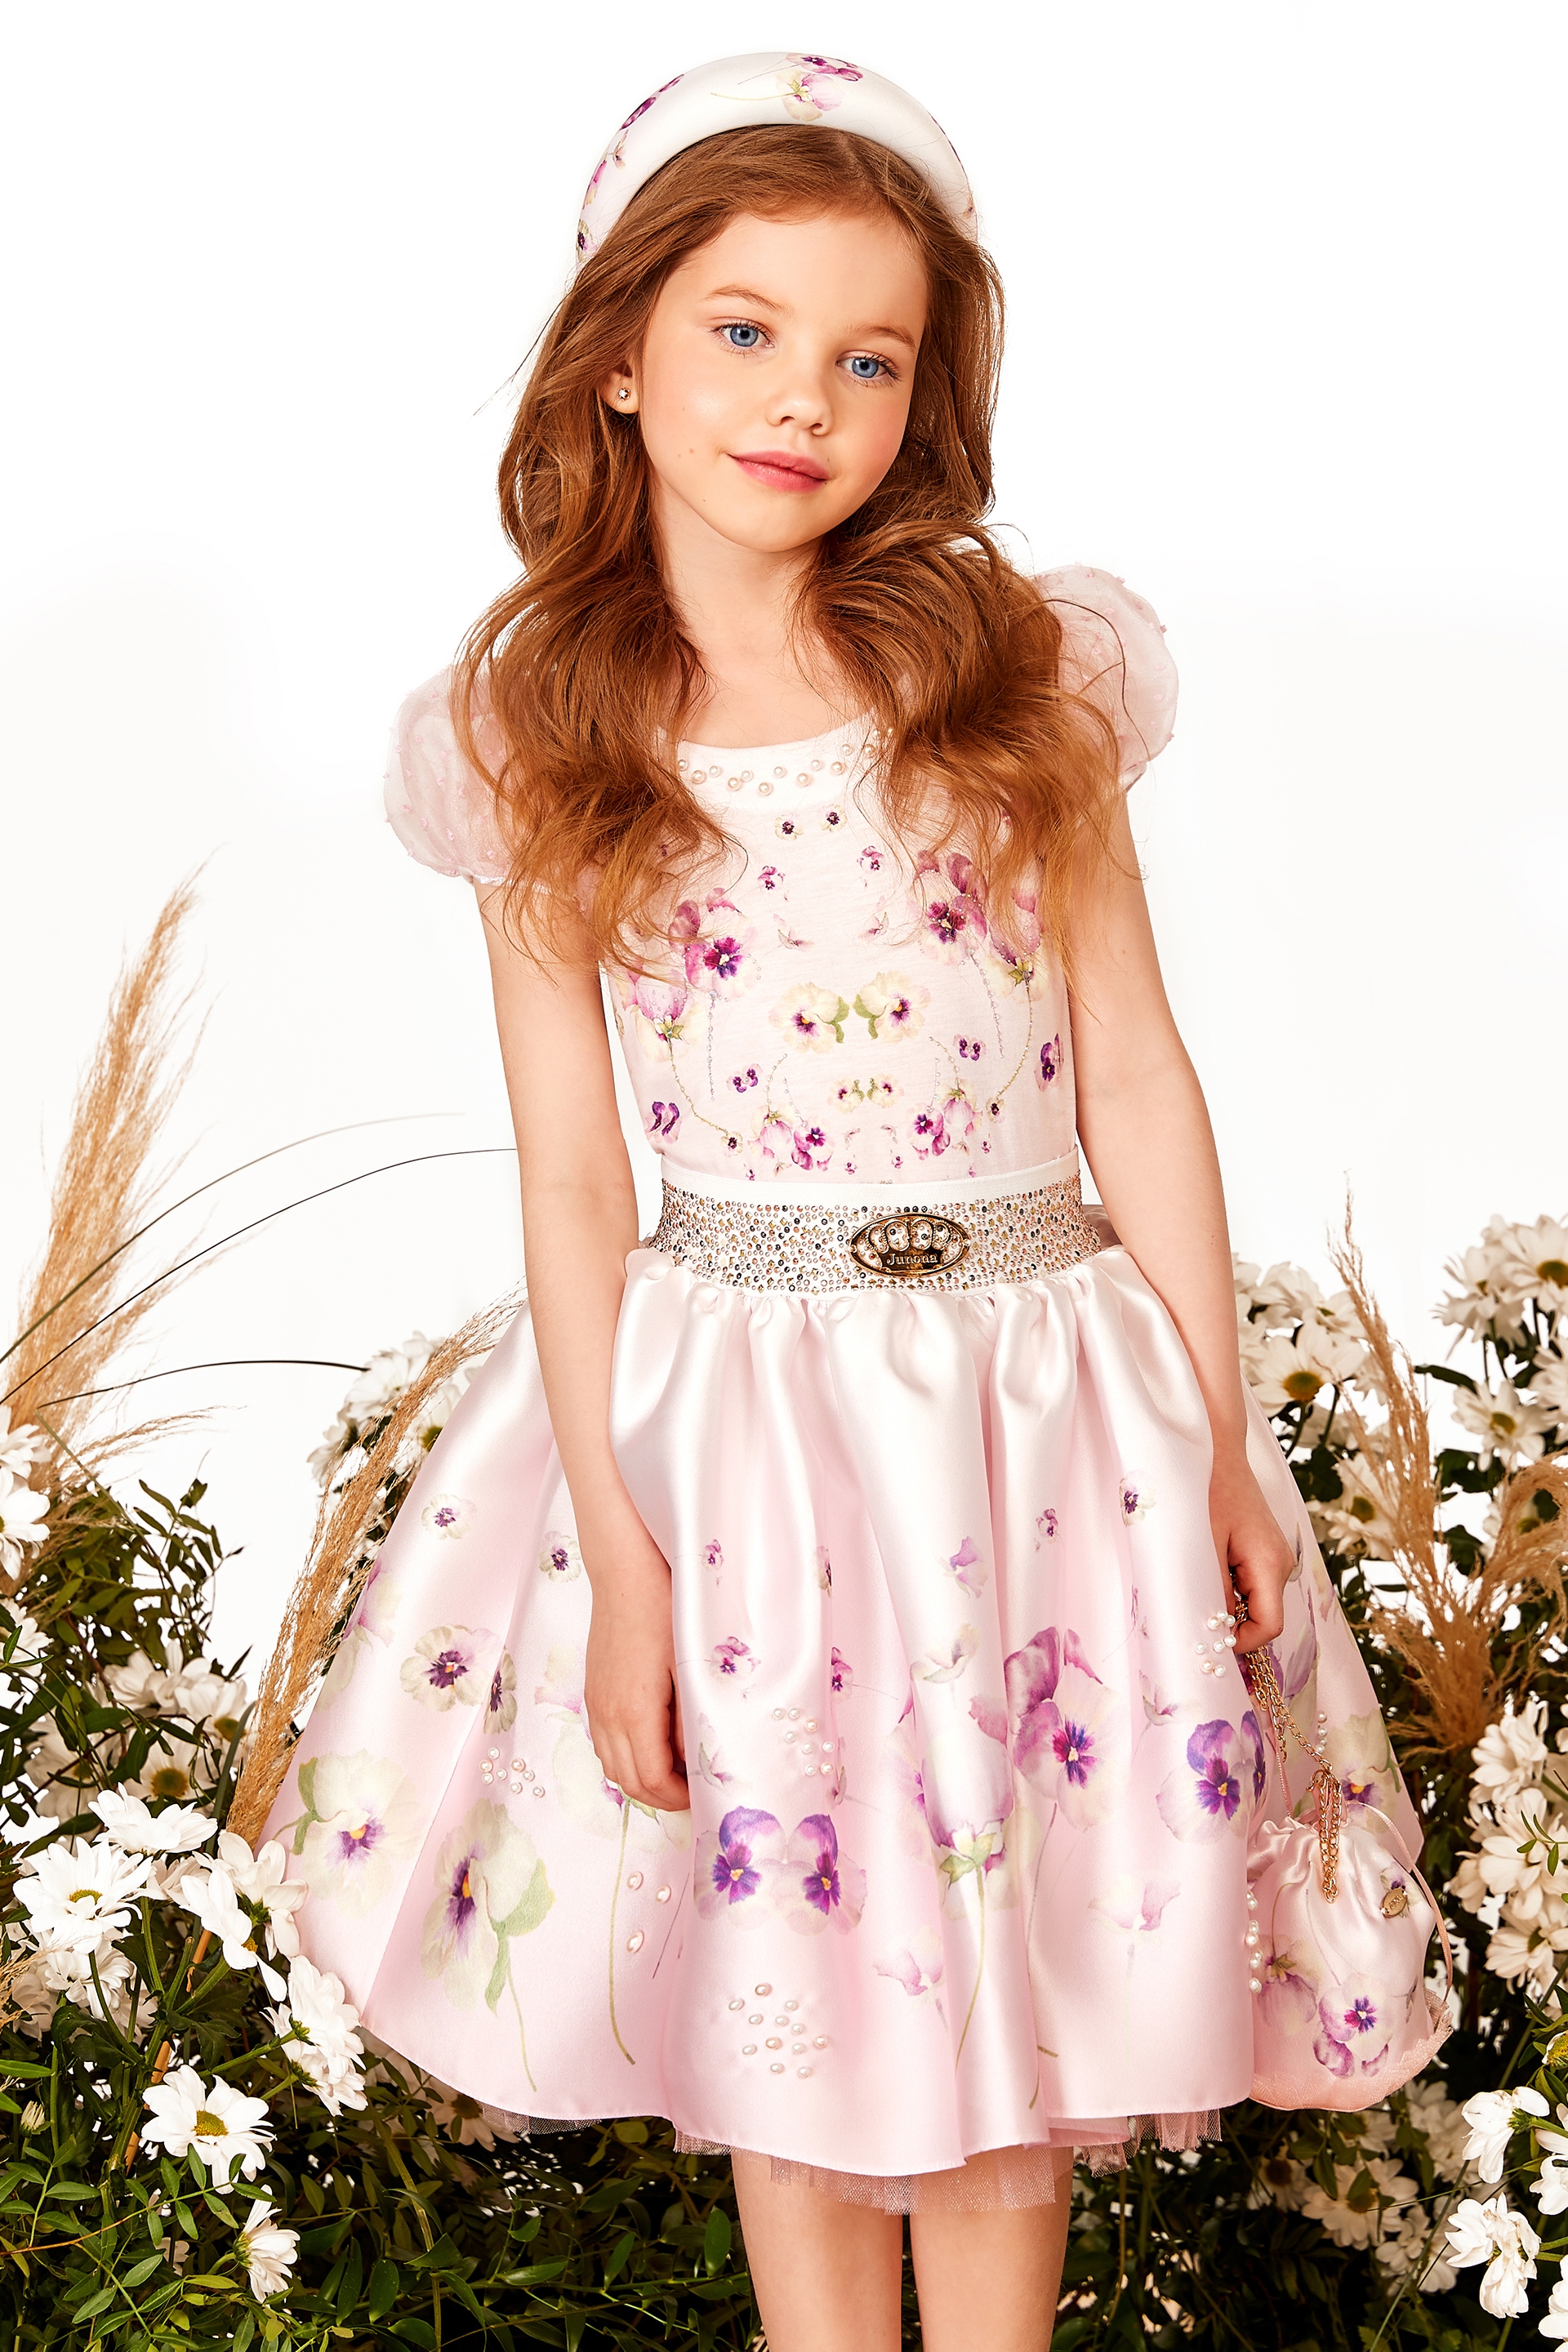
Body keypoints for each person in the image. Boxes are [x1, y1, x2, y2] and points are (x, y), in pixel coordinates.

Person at [270, 53, 1409, 2351]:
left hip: (1042, 1407)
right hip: (743, 1434)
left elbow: (1139, 1073)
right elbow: (574, 1170)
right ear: (618, 356)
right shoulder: (541, 734)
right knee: (796, 1961)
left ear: (925, 395)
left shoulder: (1014, 678)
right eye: (745, 329)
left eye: (870, 357)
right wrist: (623, 1554)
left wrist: (1212, 1439)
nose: (806, 396)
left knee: (1016, 1974)